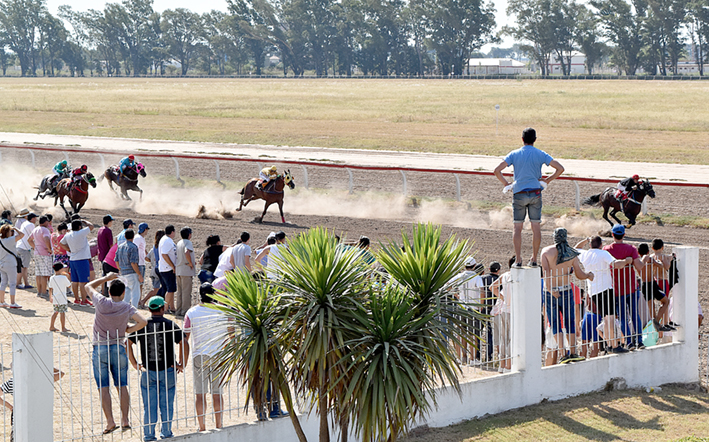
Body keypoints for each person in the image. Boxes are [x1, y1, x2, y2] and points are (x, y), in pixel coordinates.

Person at [494, 128, 565, 267]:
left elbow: (496, 170)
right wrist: (547, 180)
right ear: (535, 140)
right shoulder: (540, 153)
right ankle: (533, 259)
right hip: (535, 193)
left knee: (517, 228)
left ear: (522, 139)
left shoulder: (514, 154)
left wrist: (506, 183)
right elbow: (560, 168)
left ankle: (519, 259)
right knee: (536, 226)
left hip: (519, 193)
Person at [87, 273, 147, 435]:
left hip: (100, 347)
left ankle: (110, 422)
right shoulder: (127, 307)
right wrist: (129, 329)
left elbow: (88, 286)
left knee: (103, 387)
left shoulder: (101, 301)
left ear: (109, 291)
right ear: (123, 293)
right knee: (122, 386)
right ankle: (125, 420)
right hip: (118, 346)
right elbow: (143, 321)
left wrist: (106, 278)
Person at [127, 296, 187, 442]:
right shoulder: (170, 324)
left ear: (149, 309)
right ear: (162, 308)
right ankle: (166, 433)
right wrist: (181, 363)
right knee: (167, 404)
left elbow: (127, 342)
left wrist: (135, 364)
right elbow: (183, 341)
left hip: (148, 370)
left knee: (150, 406)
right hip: (168, 369)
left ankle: (149, 436)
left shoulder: (142, 325)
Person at [540, 227, 594, 364]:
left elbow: (546, 272)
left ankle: (563, 354)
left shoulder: (546, 252)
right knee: (570, 322)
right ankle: (573, 352)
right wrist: (589, 275)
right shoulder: (571, 253)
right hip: (566, 290)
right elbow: (579, 274)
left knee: (555, 323)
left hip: (550, 291)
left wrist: (551, 289)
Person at [575, 236, 633, 354]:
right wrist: (627, 261)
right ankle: (614, 345)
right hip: (606, 289)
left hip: (593, 291)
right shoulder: (603, 254)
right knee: (610, 318)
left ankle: (609, 344)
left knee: (606, 318)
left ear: (590, 245)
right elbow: (616, 264)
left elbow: (576, 248)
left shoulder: (585, 254)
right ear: (601, 245)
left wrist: (586, 240)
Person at [184, 283, 229, 432]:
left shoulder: (191, 312)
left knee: (200, 393)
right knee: (218, 393)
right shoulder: (223, 311)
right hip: (218, 354)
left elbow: (186, 336)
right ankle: (219, 423)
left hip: (200, 354)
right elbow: (230, 333)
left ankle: (202, 426)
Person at [604, 224, 644, 350]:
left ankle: (628, 342)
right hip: (631, 288)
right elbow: (639, 267)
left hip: (616, 290)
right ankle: (639, 340)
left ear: (612, 235)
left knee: (622, 317)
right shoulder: (631, 249)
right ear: (624, 235)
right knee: (634, 315)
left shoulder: (606, 249)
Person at [59, 219, 95, 306]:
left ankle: (77, 299)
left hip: (73, 259)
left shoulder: (68, 235)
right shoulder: (81, 233)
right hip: (82, 259)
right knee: (83, 282)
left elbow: (61, 243)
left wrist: (69, 249)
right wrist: (85, 221)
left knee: (74, 281)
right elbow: (91, 226)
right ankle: (84, 300)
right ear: (79, 226)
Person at [638, 243, 672, 332]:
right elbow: (661, 266)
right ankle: (657, 321)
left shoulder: (637, 261)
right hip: (652, 284)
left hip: (644, 285)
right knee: (666, 301)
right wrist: (657, 262)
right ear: (648, 251)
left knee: (651, 306)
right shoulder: (649, 259)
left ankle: (656, 323)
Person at [116, 229, 143, 307]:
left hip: (123, 273)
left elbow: (116, 260)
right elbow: (133, 263)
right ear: (133, 237)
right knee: (135, 294)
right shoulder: (133, 247)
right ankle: (133, 313)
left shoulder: (120, 247)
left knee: (126, 294)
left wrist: (120, 269)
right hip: (132, 273)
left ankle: (124, 311)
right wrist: (139, 274)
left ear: (125, 236)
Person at [0, 224, 24, 308]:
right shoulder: (10, 240)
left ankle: (2, 301)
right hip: (10, 263)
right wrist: (16, 228)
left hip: (1, 263)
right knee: (12, 283)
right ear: (7, 232)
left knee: (3, 282)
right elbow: (22, 235)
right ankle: (13, 303)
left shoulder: (0, 240)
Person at [30, 216, 53, 297]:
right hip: (44, 253)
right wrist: (49, 249)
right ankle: (43, 292)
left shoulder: (35, 229)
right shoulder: (45, 229)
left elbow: (29, 239)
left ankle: (39, 291)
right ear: (45, 222)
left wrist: (35, 247)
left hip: (37, 253)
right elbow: (46, 238)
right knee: (44, 274)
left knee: (38, 273)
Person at [175, 227, 195, 316]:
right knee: (186, 292)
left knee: (179, 292)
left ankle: (178, 310)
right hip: (186, 270)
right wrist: (190, 263)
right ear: (189, 234)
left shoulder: (179, 243)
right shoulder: (188, 242)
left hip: (178, 269)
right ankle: (185, 311)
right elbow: (187, 252)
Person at [15, 211, 36, 290]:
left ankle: (21, 283)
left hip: (19, 246)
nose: (36, 219)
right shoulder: (31, 225)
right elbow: (33, 236)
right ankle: (21, 283)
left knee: (20, 266)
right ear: (32, 218)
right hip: (25, 248)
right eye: (35, 218)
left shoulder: (24, 223)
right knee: (24, 267)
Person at [158, 225, 178, 313]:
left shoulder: (166, 240)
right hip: (167, 268)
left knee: (172, 288)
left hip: (166, 268)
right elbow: (164, 254)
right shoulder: (167, 241)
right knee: (170, 289)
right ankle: (165, 307)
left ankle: (172, 307)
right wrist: (172, 266)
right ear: (172, 232)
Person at [143, 230, 165, 306]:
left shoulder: (153, 248)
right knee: (156, 290)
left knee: (157, 289)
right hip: (158, 271)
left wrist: (152, 261)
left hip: (153, 270)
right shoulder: (161, 248)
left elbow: (146, 258)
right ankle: (143, 301)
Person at [49, 263, 71, 332]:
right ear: (60, 269)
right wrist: (67, 277)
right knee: (62, 313)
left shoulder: (52, 277)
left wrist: (50, 297)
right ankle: (63, 327)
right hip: (62, 299)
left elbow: (50, 288)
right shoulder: (63, 278)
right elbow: (69, 286)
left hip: (55, 298)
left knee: (55, 312)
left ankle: (51, 326)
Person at [135, 223, 149, 302]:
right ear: (145, 230)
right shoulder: (138, 238)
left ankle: (138, 300)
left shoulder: (140, 238)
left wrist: (147, 255)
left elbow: (142, 249)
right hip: (139, 263)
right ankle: (138, 300)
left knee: (140, 284)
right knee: (139, 284)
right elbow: (135, 249)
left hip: (141, 263)